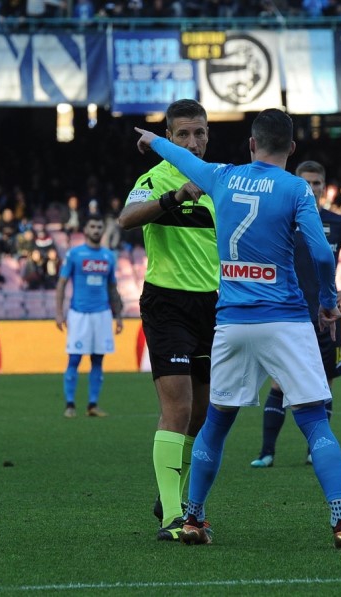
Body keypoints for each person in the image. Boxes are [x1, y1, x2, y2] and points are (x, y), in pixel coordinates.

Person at [135, 108, 341, 549]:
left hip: (232, 321)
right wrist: (328, 301)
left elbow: (182, 159)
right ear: (291, 148)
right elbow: (321, 254)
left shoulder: (222, 175)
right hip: (285, 319)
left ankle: (193, 517)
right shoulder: (296, 188)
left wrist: (153, 140)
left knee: (216, 422)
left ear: (252, 144)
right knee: (314, 420)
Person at [117, 99, 219, 542]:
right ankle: (174, 519)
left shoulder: (219, 182)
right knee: (176, 409)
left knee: (202, 415)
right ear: (169, 138)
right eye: (183, 134)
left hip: (213, 307)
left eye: (199, 133)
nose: (192, 143)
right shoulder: (154, 178)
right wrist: (174, 196)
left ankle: (170, 495)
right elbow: (126, 219)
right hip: (168, 304)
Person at [250, 160, 341, 469]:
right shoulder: (282, 219)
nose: (312, 187)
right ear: (296, 184)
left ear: (324, 187)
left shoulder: (337, 223)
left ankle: (313, 450)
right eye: (306, 182)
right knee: (279, 382)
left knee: (324, 384)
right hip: (289, 316)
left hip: (326, 318)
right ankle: (266, 452)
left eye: (317, 182)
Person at [55, 215, 124, 419]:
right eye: (92, 226)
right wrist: (59, 312)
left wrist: (118, 315)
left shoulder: (108, 256)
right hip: (79, 314)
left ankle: (92, 404)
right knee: (75, 358)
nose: (96, 230)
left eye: (99, 227)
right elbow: (61, 284)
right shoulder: (74, 254)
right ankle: (70, 404)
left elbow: (112, 287)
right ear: (85, 229)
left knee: (98, 359)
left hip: (102, 314)